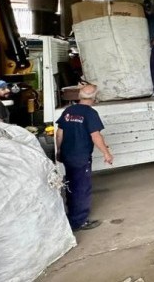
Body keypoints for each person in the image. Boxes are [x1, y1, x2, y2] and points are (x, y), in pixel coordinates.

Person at [55, 83, 113, 231]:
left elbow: (59, 133)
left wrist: (59, 150)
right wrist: (106, 153)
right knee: (82, 188)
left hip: (68, 155)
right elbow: (95, 136)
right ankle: (79, 221)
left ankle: (71, 215)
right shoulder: (90, 113)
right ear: (94, 98)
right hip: (81, 157)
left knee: (71, 184)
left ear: (79, 96)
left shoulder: (68, 111)